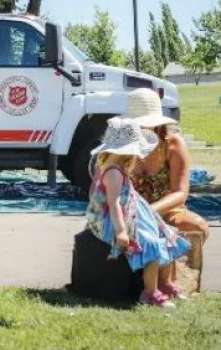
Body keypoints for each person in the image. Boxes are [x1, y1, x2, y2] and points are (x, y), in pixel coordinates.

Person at [86, 117, 191, 307]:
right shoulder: (113, 173)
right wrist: (121, 231)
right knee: (150, 243)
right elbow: (114, 203)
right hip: (113, 221)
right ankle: (150, 292)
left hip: (130, 212)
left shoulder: (115, 167)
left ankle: (165, 283)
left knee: (166, 235)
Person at [126, 88, 210, 242]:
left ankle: (178, 265)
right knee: (92, 233)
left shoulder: (173, 144)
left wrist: (149, 212)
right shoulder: (122, 145)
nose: (143, 127)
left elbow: (180, 193)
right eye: (138, 123)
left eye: (146, 123)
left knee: (197, 226)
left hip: (166, 212)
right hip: (128, 213)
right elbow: (102, 183)